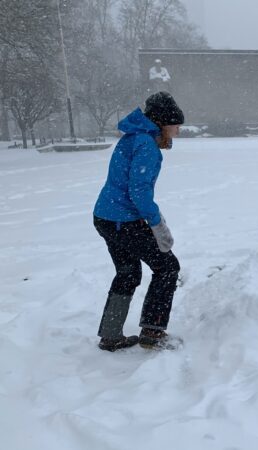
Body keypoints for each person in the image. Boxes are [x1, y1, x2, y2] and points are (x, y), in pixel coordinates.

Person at [93, 91, 184, 351]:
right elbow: (139, 191)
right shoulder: (146, 145)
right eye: (176, 125)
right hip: (123, 220)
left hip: (106, 217)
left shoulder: (133, 138)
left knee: (128, 272)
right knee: (167, 268)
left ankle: (111, 335)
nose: (178, 130)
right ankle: (153, 333)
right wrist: (157, 224)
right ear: (163, 123)